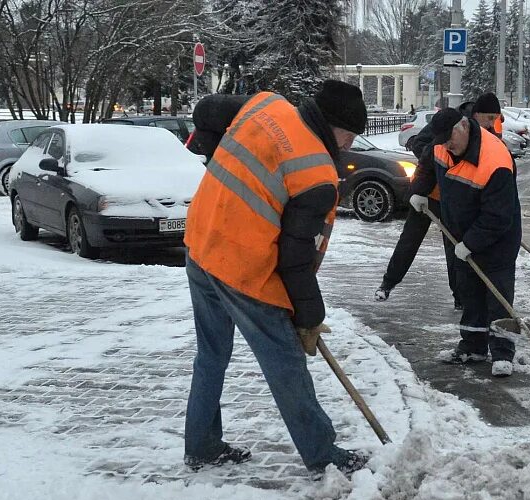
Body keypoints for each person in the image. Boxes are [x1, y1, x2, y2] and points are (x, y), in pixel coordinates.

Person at [182, 80, 370, 475]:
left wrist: (208, 145)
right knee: (285, 362)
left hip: (201, 243)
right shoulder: (316, 173)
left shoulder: (267, 105)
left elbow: (208, 111)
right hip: (242, 268)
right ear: (333, 125)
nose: (349, 146)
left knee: (211, 356)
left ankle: (201, 445)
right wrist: (309, 319)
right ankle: (323, 456)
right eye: (350, 136)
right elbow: (294, 259)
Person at [419, 108, 521, 377]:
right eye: (441, 141)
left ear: (463, 126)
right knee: (470, 294)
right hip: (460, 236)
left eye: (450, 139)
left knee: (496, 296)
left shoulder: (495, 159)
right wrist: (419, 191)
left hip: (497, 238)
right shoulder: (442, 146)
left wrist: (472, 243)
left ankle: (502, 353)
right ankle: (473, 347)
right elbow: (428, 166)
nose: (446, 146)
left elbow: (499, 216)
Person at [373, 105, 466, 308]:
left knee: (453, 246)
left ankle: (459, 296)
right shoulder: (443, 124)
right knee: (409, 239)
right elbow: (419, 145)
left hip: (450, 200)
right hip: (426, 194)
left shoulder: (473, 135)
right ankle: (388, 283)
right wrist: (418, 191)